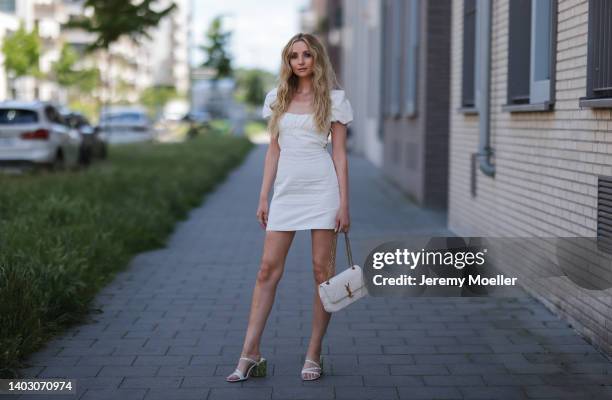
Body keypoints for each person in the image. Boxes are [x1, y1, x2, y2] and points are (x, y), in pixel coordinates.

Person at [225, 32, 353, 382]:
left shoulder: (334, 99)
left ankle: (314, 353)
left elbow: (339, 155)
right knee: (267, 270)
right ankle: (250, 353)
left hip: (323, 189)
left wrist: (344, 203)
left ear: (317, 59)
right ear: (288, 61)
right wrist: (263, 196)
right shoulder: (276, 97)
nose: (300, 60)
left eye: (307, 55)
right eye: (294, 55)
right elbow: (273, 151)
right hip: (286, 192)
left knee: (321, 275)